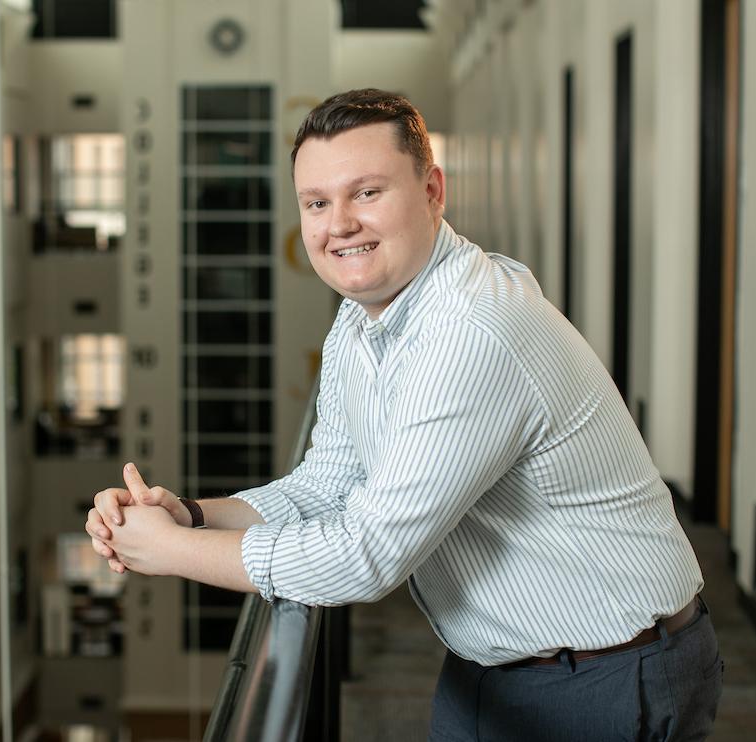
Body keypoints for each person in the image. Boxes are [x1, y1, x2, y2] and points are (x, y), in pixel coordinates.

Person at [86, 88, 722, 741]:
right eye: (316, 203)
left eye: (366, 193)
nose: (338, 225)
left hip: (607, 677)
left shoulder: (472, 331)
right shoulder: (362, 324)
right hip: (493, 664)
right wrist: (188, 513)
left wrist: (173, 551)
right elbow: (324, 485)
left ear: (432, 190)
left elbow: (366, 555)